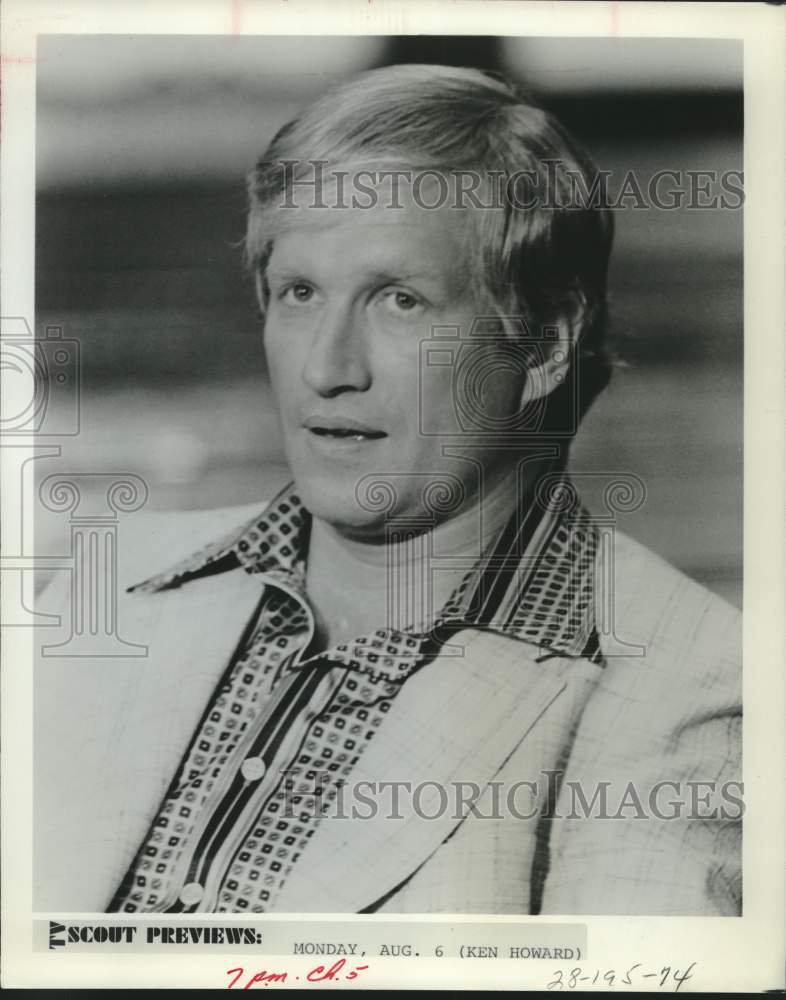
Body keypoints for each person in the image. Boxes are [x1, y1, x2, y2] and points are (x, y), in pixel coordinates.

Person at [34, 63, 741, 916]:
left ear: (546, 342)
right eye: (299, 294)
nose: (328, 369)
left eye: (399, 301)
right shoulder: (102, 587)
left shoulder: (689, 690)